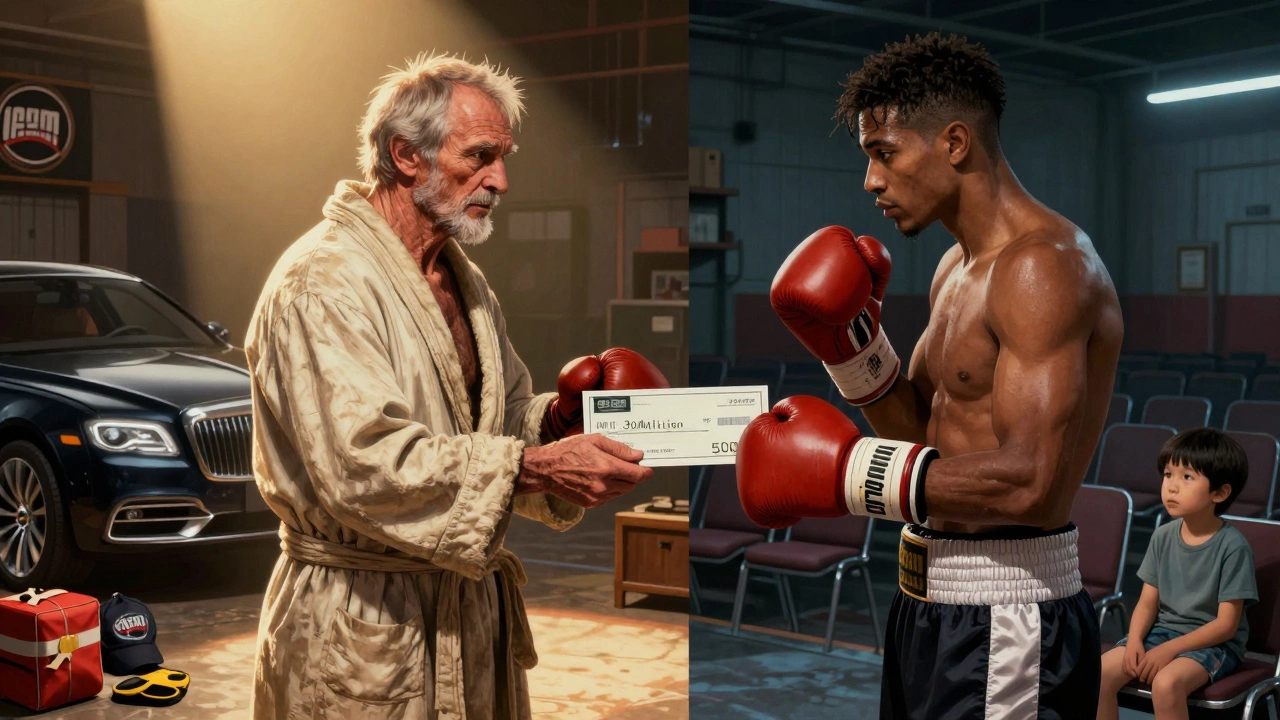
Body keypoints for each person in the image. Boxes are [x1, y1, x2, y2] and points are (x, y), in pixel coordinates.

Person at [245, 53, 666, 719]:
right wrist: (536, 465)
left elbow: (495, 427)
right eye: (480, 156)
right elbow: (363, 464)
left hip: (465, 611)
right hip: (359, 621)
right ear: (406, 156)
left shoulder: (464, 283)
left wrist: (559, 421)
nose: (499, 180)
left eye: (504, 158)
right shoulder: (322, 281)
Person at [735, 33, 1124, 719]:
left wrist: (849, 475)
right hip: (928, 601)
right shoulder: (956, 268)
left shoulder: (1043, 268)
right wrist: (854, 350)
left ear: (953, 142)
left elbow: (1030, 482)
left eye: (884, 154)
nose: (871, 181)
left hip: (1009, 613)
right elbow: (919, 428)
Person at [1098, 428, 1257, 720]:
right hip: (1162, 634)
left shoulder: (1233, 546)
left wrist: (1169, 649)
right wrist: (1134, 640)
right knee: (1099, 675)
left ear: (1219, 493)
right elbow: (1147, 603)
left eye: (1187, 477)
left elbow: (1225, 626)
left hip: (1216, 646)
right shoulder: (1162, 536)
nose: (1171, 486)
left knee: (1166, 684)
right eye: (1168, 474)